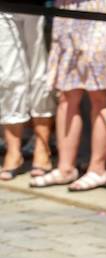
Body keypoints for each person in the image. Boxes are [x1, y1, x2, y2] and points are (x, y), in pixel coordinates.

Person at [29, 0, 106, 190]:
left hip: (99, 13)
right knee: (67, 94)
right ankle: (65, 167)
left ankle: (98, 169)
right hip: (67, 13)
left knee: (99, 94)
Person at [0, 9, 55, 181]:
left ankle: (42, 147)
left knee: (40, 75)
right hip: (5, 8)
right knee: (8, 77)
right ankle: (13, 150)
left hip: (39, 7)